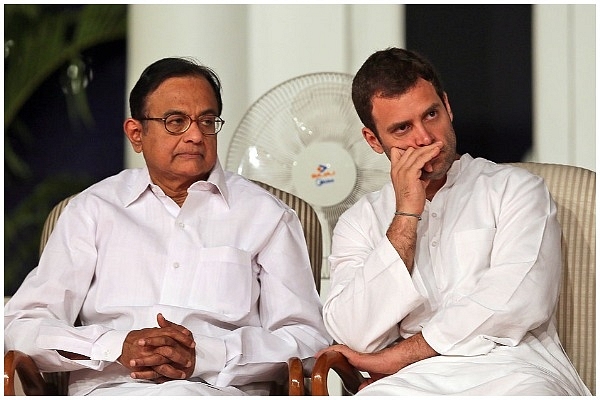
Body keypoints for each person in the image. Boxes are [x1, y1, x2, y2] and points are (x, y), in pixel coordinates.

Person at [4, 57, 332, 396]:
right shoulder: (93, 210)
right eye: (176, 121)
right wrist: (115, 346)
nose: (194, 135)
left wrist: (204, 355)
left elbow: (308, 341)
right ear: (136, 133)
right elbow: (21, 327)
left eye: (206, 121)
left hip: (214, 391)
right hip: (112, 390)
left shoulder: (267, 215)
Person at [317, 47, 591, 396]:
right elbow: (354, 332)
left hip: (513, 369)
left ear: (447, 106)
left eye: (431, 115)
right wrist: (406, 215)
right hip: (408, 383)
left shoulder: (514, 189)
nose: (425, 138)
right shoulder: (360, 221)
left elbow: (520, 300)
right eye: (402, 128)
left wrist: (397, 357)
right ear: (374, 140)